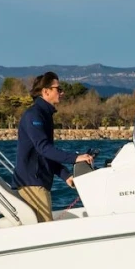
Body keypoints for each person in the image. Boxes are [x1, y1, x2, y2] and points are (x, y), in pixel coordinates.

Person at [12, 71, 94, 222]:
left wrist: (65, 175)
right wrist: (75, 158)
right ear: (46, 91)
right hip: (32, 184)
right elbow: (43, 148)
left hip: (38, 183)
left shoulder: (44, 114)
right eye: (58, 89)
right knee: (44, 230)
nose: (62, 92)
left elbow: (45, 153)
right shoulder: (34, 115)